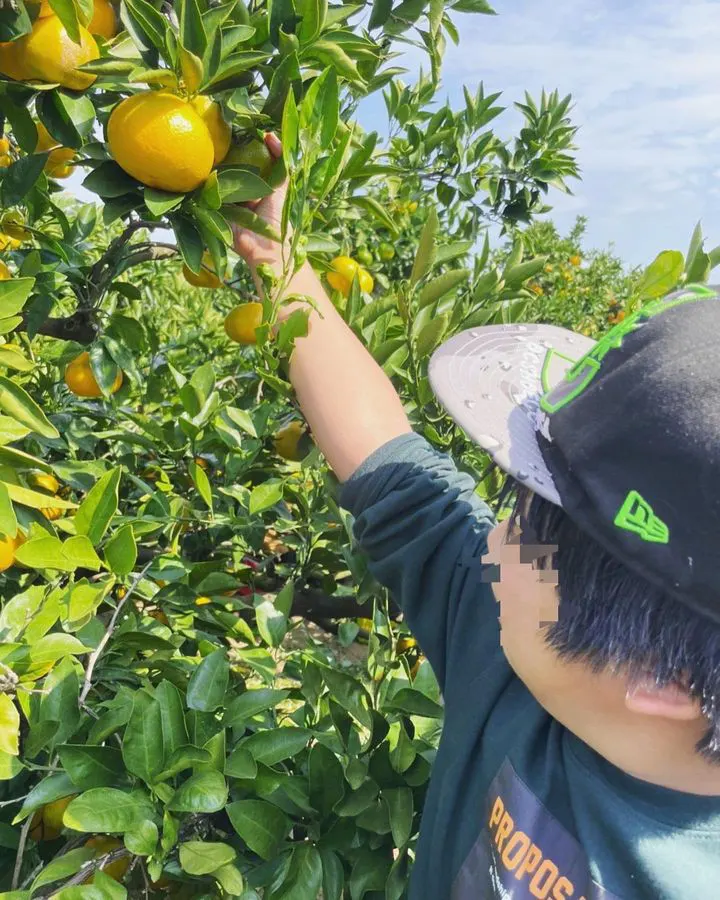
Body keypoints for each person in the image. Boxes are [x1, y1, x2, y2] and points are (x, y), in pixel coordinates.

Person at [233, 134, 720, 899]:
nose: (493, 542)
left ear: (662, 676)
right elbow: (396, 476)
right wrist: (282, 262)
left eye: (525, 529)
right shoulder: (521, 665)